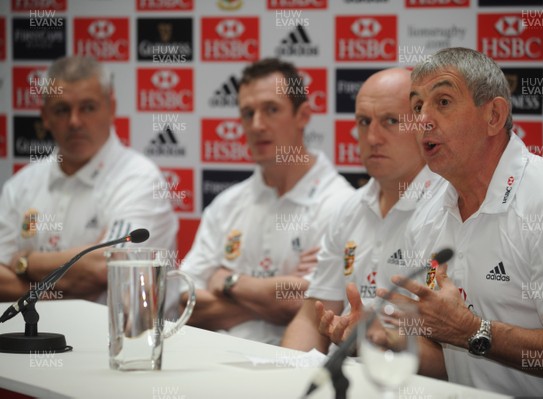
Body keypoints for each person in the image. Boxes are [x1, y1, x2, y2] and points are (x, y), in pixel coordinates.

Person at [386, 47, 543, 398]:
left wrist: (473, 331)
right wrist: (385, 341)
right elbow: (448, 357)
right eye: (417, 106)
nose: (422, 119)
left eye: (442, 101)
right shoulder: (427, 211)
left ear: (494, 116)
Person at [179, 58, 354, 345]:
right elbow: (185, 300)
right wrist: (273, 297)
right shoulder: (227, 204)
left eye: (271, 110)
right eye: (248, 113)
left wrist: (227, 281)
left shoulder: (340, 204)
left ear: (303, 115)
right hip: (215, 367)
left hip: (292, 376)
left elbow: (310, 306)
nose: (257, 125)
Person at [281, 68, 445, 353]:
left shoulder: (448, 209)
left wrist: (377, 339)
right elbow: (311, 317)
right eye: (364, 122)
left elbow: (452, 358)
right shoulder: (349, 207)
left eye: (391, 121)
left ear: (423, 124)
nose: (372, 137)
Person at [0, 56, 178, 305]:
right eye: (62, 110)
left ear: (111, 108)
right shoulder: (20, 186)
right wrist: (68, 286)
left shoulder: (140, 178)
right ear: (45, 116)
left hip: (115, 342)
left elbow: (105, 269)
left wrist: (25, 261)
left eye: (88, 107)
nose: (75, 121)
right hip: (28, 339)